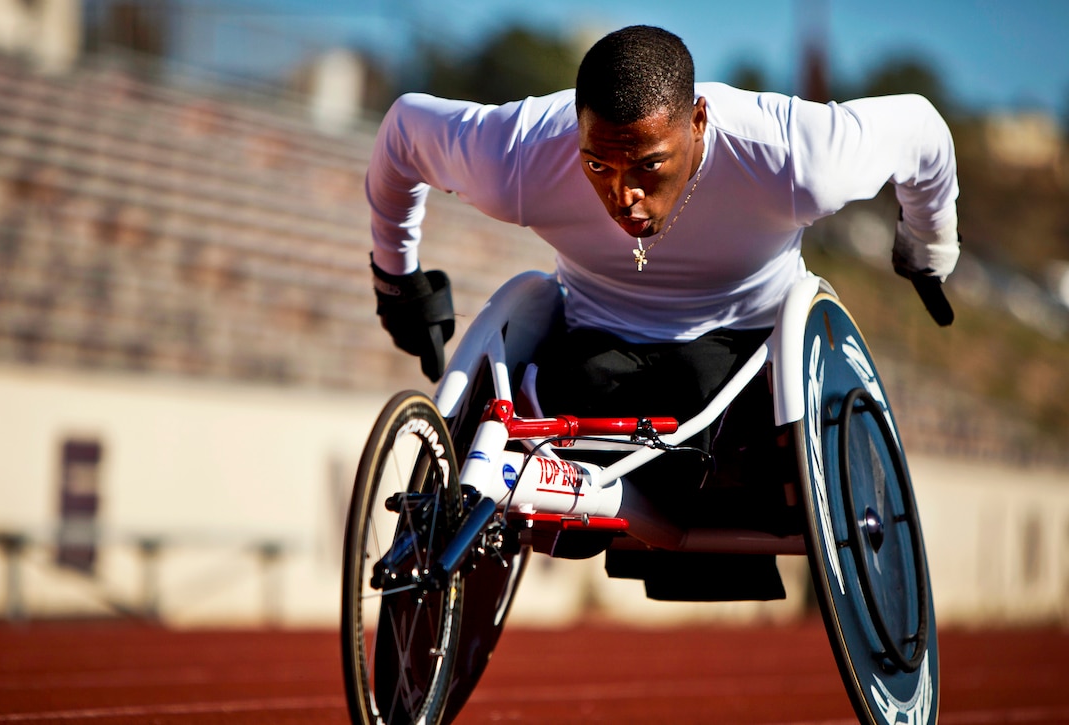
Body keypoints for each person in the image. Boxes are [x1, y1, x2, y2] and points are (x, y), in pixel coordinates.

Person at [365, 24, 958, 527]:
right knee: (573, 383)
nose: (624, 195)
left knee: (697, 394)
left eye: (649, 165)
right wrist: (397, 282)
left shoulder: (796, 157)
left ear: (698, 121)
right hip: (595, 351)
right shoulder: (517, 155)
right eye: (599, 165)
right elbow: (402, 135)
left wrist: (928, 248)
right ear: (576, 130)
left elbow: (923, 131)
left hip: (745, 356)